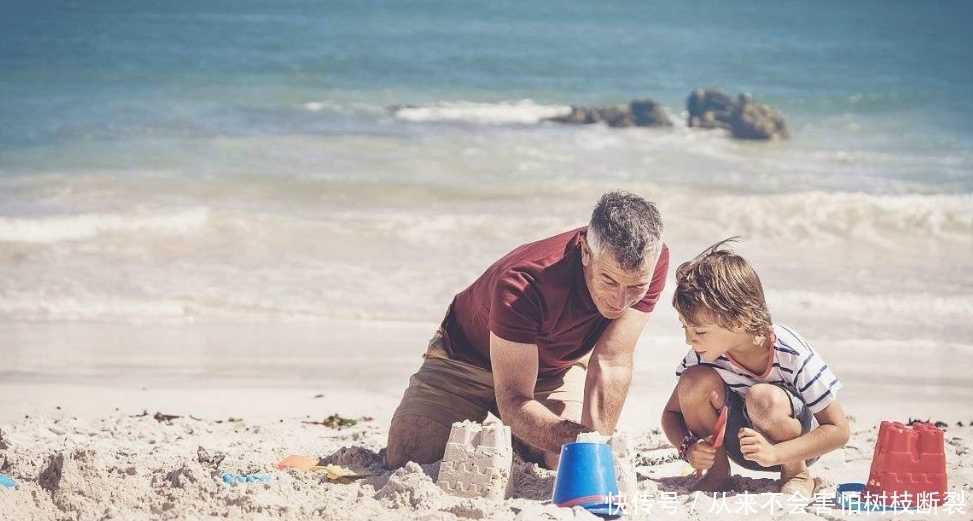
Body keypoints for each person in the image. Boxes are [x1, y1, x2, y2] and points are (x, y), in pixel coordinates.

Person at [385, 191, 669, 470]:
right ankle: (501, 426)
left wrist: (595, 450)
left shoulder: (652, 263)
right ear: (585, 251)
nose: (620, 302)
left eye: (635, 288)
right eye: (608, 281)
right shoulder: (524, 283)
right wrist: (570, 436)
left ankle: (520, 442)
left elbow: (612, 360)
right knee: (408, 454)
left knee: (566, 460)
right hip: (466, 357)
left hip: (553, 367)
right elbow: (514, 399)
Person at [660, 239, 850, 496]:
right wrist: (688, 448)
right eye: (686, 328)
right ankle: (718, 473)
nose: (689, 339)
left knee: (761, 397)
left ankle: (797, 474)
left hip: (795, 447)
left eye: (699, 331)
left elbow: (839, 430)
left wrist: (776, 453)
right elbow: (671, 414)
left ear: (740, 319)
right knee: (692, 381)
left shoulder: (789, 351)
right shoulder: (704, 354)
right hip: (743, 445)